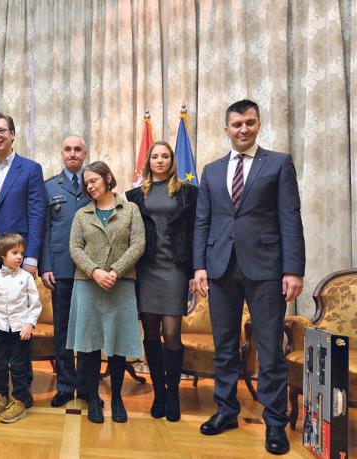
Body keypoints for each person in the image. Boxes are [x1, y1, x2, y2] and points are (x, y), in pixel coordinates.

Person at [193, 99, 305, 455]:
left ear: (258, 125)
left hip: (266, 270)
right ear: (227, 129)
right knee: (225, 347)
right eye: (237, 124)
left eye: (250, 123)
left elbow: (290, 216)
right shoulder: (211, 171)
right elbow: (203, 220)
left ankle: (275, 423)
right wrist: (199, 266)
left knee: (269, 350)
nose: (244, 129)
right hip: (220, 268)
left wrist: (293, 269)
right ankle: (226, 411)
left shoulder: (278, 163)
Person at [0, 112, 45, 407]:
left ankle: (22, 393)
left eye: (2, 130)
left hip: (16, 254)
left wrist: (31, 257)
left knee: (18, 323)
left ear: (13, 134)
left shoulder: (30, 169)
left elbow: (37, 214)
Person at [67, 161, 145, 424]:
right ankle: (92, 399)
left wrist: (115, 271)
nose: (90, 186)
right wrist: (95, 272)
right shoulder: (82, 215)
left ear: (108, 178)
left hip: (120, 285)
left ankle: (117, 398)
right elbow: (75, 248)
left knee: (117, 344)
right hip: (88, 284)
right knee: (89, 345)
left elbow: (138, 245)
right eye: (86, 183)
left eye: (94, 180)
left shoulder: (130, 209)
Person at [126, 141, 198, 422]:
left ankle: (173, 393)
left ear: (171, 161)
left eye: (165, 156)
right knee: (151, 333)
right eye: (155, 156)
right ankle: (159, 393)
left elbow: (195, 232)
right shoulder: (134, 195)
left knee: (171, 333)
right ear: (148, 161)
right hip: (146, 270)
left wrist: (194, 271)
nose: (159, 160)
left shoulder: (187, 193)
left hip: (175, 269)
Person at [39, 135, 91, 407]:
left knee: (87, 331)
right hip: (60, 269)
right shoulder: (49, 187)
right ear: (61, 153)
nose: (72, 154)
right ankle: (65, 385)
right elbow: (44, 229)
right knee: (63, 331)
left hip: (90, 270)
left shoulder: (94, 184)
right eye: (68, 149)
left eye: (77, 149)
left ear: (85, 153)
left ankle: (86, 387)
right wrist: (46, 266)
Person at [0, 233, 42, 424]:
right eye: (14, 253)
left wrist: (29, 324)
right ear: (2, 256)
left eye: (21, 253)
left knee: (18, 366)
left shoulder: (26, 278)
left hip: (19, 329)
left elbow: (35, 305)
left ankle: (20, 400)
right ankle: (0, 396)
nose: (19, 257)